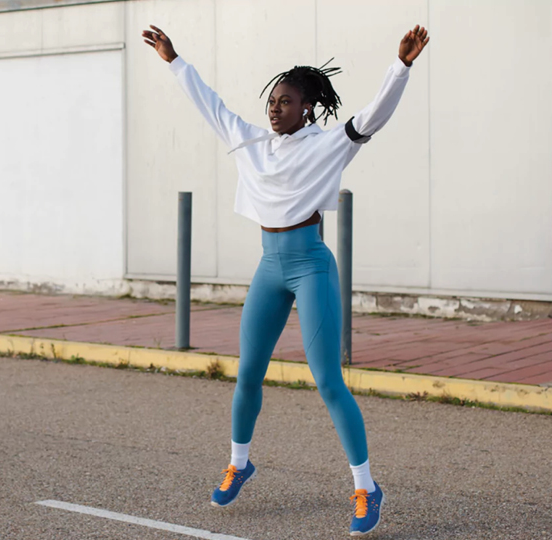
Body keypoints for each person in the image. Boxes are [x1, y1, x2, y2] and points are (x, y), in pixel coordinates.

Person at [142, 23, 429, 537]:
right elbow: (208, 103)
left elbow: (374, 117)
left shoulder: (330, 145)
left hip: (310, 265)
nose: (274, 108)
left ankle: (366, 486)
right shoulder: (249, 140)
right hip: (269, 267)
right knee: (248, 373)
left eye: (287, 101)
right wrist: (173, 59)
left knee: (327, 381)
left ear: (308, 109)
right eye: (272, 100)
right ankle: (239, 462)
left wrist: (400, 67)